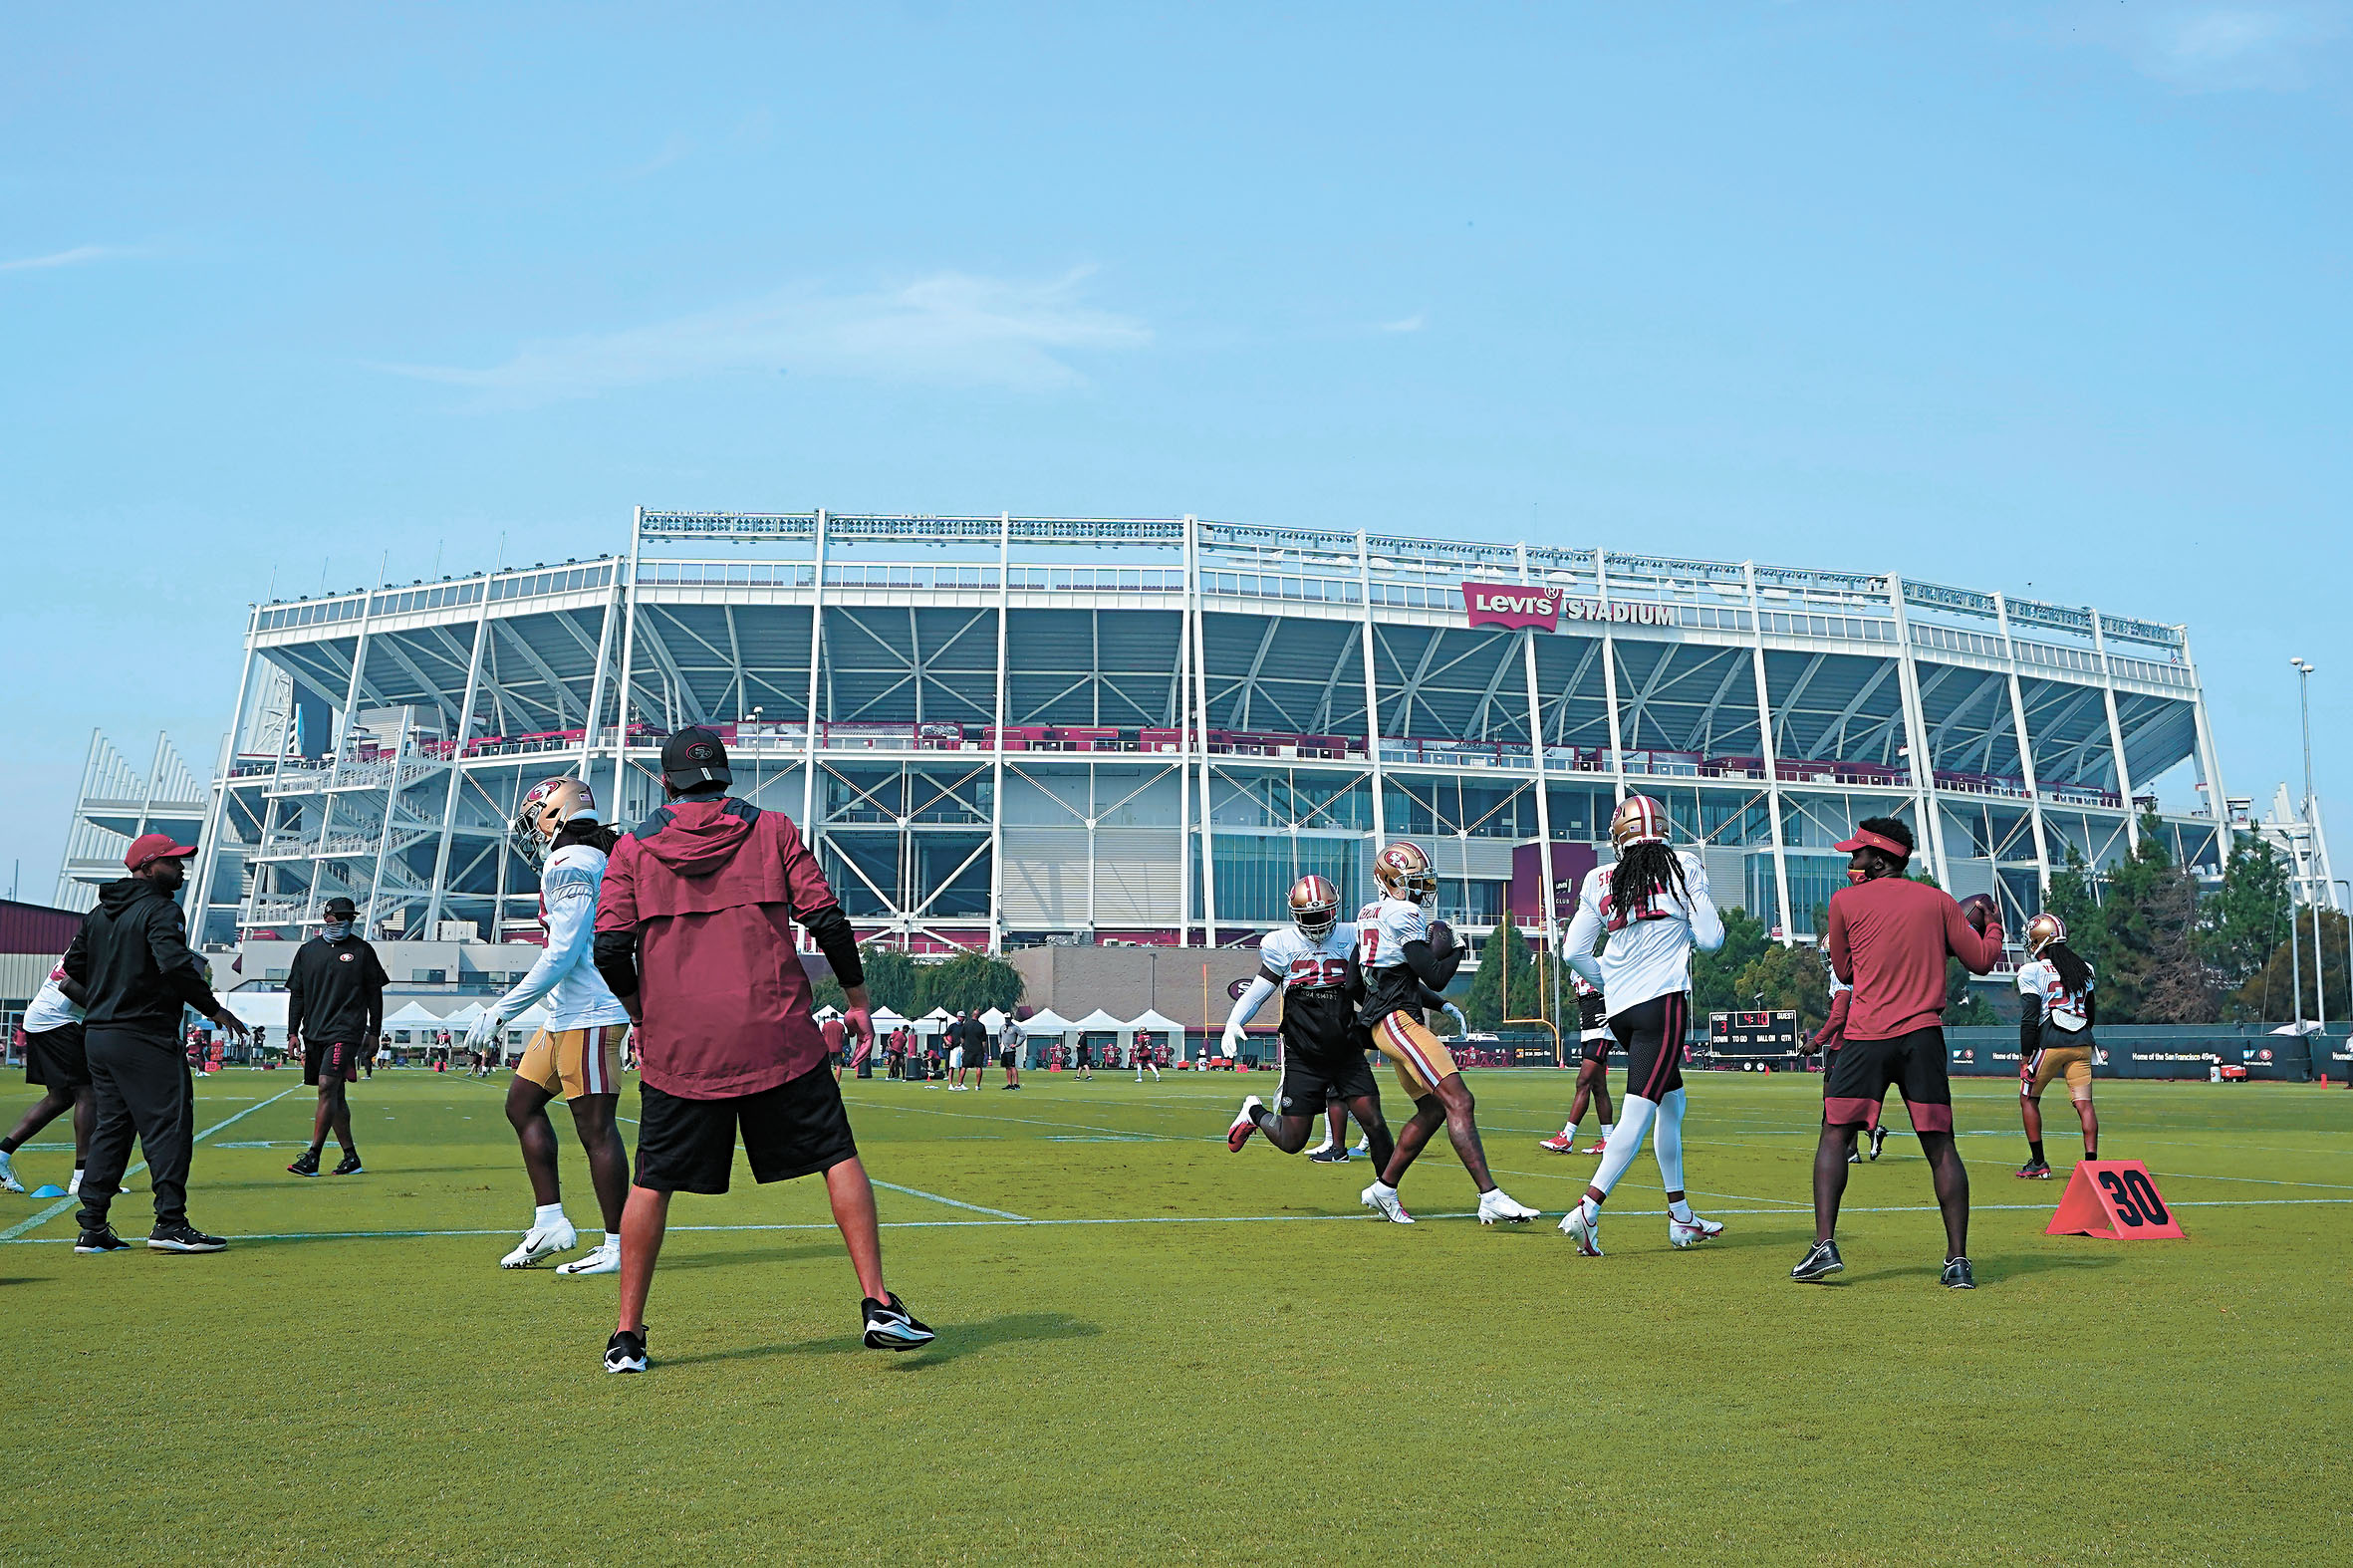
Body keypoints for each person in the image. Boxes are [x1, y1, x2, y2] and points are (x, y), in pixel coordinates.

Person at [591, 727, 931, 1374]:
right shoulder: (771, 829)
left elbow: (609, 949)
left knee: (652, 1181)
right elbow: (827, 920)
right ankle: (878, 1301)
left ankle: (627, 1338)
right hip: (776, 1030)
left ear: (664, 783)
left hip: (681, 1044)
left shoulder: (633, 848)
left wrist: (642, 1014)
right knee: (837, 1155)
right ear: (726, 775)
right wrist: (857, 1000)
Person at [1793, 817, 2003, 1290]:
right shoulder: (1939, 902)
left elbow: (1846, 972)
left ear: (1881, 857)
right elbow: (1983, 961)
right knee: (1941, 1146)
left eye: (1858, 854)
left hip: (1866, 1035)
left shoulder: (1844, 902)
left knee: (1833, 1136)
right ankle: (1958, 1262)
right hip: (1922, 1037)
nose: (1852, 861)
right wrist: (1992, 926)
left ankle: (1824, 1246)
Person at [466, 776, 636, 1275]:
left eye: (533, 818)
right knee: (521, 1104)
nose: (530, 831)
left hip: (591, 1011)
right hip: (568, 1011)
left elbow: (561, 952)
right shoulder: (588, 855)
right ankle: (550, 1221)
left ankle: (619, 1244)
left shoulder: (570, 861)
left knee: (596, 1130)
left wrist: (502, 1009)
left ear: (554, 813)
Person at [64, 832, 250, 1254]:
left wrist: (104, 1002)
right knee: (168, 1126)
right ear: (148, 868)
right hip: (143, 1036)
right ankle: (170, 1223)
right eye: (172, 862)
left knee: (112, 1128)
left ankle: (92, 1226)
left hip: (100, 1036)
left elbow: (70, 973)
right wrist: (213, 1008)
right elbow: (176, 966)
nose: (181, 868)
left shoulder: (98, 914)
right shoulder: (162, 909)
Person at [1557, 796, 1727, 1256]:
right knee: (1639, 1110)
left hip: (1622, 1011)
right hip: (1662, 1003)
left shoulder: (1598, 879)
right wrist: (1687, 931)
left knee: (1672, 1101)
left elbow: (1573, 951)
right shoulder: (1682, 865)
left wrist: (1610, 982)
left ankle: (1681, 1216)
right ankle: (1588, 1208)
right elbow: (1712, 939)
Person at [1352, 842, 1540, 1226]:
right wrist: (1456, 945)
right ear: (1390, 882)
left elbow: (1360, 979)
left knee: (1436, 1107)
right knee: (1460, 1100)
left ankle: (1384, 1188)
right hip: (1397, 1021)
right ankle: (1490, 1195)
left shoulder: (1369, 912)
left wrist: (1385, 1002)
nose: (1420, 889)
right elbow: (1436, 973)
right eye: (1412, 881)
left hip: (1387, 1019)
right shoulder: (1403, 912)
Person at [1223, 875, 1401, 1173]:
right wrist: (1233, 1022)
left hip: (1345, 1047)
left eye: (1323, 914)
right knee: (1292, 1141)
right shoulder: (1280, 943)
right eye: (1310, 916)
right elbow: (1256, 993)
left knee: (1374, 1121)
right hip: (1303, 1051)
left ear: (1335, 909)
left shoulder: (1353, 935)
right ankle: (1254, 1111)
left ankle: (1387, 1193)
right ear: (1296, 915)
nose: (1318, 922)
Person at [285, 896, 390, 1177]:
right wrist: (292, 1033)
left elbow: (375, 995)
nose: (343, 922)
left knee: (326, 1087)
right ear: (326, 917)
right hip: (314, 1031)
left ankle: (312, 1156)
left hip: (346, 1031)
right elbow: (298, 995)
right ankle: (350, 1157)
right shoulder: (308, 951)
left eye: (349, 917)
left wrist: (374, 1031)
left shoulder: (363, 951)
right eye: (338, 916)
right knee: (336, 1096)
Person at [2014, 912, 2100, 1178]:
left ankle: (2039, 1162)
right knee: (2084, 1104)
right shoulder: (2084, 968)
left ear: (2040, 939)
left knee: (2028, 1097)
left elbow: (2029, 1017)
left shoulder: (2032, 971)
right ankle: (2092, 1164)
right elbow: (2092, 1012)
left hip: (2051, 1040)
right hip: (2083, 1042)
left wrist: (2026, 1056)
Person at [0, 956, 93, 1195]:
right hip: (56, 1019)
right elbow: (67, 983)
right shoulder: (103, 937)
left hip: (48, 1017)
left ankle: (1, 1154)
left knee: (61, 1097)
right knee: (88, 1092)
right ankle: (83, 1178)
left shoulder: (99, 933)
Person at [1537, 972, 1616, 1157]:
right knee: (1598, 1086)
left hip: (1602, 1030)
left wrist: (1614, 1016)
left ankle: (1567, 1137)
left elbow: (1624, 987)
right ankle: (1609, 1140)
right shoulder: (1575, 969)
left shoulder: (1605, 961)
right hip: (1587, 1030)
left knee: (1583, 1081)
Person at [997, 1015, 1024, 1090]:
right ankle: (1009, 1083)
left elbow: (1022, 1036)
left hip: (1011, 1050)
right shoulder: (1002, 1027)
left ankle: (1016, 1084)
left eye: (1008, 1019)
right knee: (1007, 1067)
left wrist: (1016, 1044)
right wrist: (1000, 1043)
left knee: (1012, 1066)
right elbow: (999, 1035)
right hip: (1004, 1050)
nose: (1007, 1020)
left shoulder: (1015, 1027)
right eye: (1006, 1019)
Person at [823, 1014, 848, 1084]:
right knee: (838, 1066)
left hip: (828, 1048)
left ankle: (826, 1082)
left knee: (826, 1066)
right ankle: (837, 1083)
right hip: (838, 1048)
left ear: (831, 1017)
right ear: (837, 1017)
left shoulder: (825, 1025)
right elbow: (843, 1037)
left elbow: (823, 1036)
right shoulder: (841, 1026)